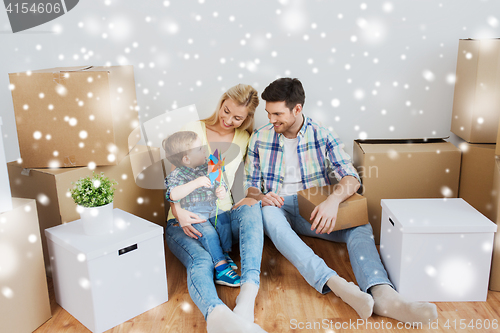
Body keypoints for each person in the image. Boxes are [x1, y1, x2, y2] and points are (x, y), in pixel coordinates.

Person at [244, 78, 438, 324]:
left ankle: (382, 293)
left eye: (277, 114)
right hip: (278, 208)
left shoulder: (322, 134)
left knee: (360, 225)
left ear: (297, 109)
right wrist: (261, 196)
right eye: (268, 113)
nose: (271, 120)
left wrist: (333, 202)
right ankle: (334, 282)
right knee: (267, 215)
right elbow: (249, 187)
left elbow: (351, 177)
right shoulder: (260, 137)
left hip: (313, 211)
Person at [164, 84, 267, 333]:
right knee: (201, 261)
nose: (229, 120)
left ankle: (248, 294)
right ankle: (216, 315)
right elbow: (173, 180)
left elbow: (252, 181)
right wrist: (178, 211)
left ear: (247, 119)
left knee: (252, 208)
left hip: (221, 217)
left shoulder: (245, 138)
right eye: (226, 110)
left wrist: (260, 195)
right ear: (222, 102)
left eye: (237, 117)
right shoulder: (192, 130)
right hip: (185, 218)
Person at [163, 131, 240, 287]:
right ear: (186, 159)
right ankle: (221, 268)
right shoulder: (177, 175)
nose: (205, 150)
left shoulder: (208, 167)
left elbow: (219, 181)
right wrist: (196, 183)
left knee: (224, 224)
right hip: (195, 214)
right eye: (200, 149)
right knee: (209, 234)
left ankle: (223, 253)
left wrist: (221, 190)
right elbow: (172, 194)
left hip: (212, 209)